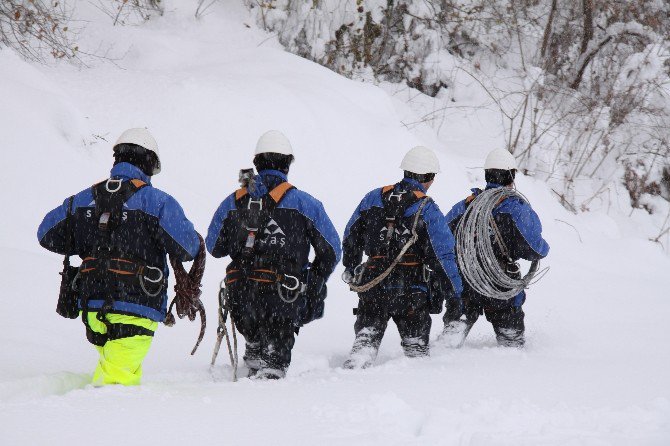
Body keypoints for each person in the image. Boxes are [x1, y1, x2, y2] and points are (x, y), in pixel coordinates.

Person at [37, 128, 200, 386]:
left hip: (92, 307)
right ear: (148, 162)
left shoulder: (85, 198)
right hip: (135, 307)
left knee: (112, 373)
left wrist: (90, 234)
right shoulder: (157, 202)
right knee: (115, 386)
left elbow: (46, 234)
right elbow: (188, 247)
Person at [206, 130, 341, 380]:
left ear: (256, 163)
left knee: (254, 337)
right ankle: (270, 368)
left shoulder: (234, 201)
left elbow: (214, 247)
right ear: (288, 165)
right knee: (274, 366)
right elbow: (332, 250)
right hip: (283, 299)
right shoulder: (304, 203)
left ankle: (255, 347)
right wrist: (315, 280)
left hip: (241, 295)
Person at [341, 146, 463, 369]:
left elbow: (351, 234)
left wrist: (350, 265)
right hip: (412, 291)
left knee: (365, 342)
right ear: (428, 177)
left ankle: (352, 376)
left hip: (372, 286)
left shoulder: (373, 198)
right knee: (415, 354)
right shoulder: (427, 209)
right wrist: (454, 295)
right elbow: (444, 256)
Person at [440, 148, 549, 348]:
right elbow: (535, 248)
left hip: (466, 282)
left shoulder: (465, 206)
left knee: (450, 341)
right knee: (511, 344)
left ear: (487, 174)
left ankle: (435, 367)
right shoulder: (516, 208)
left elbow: (443, 240)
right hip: (502, 284)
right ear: (512, 176)